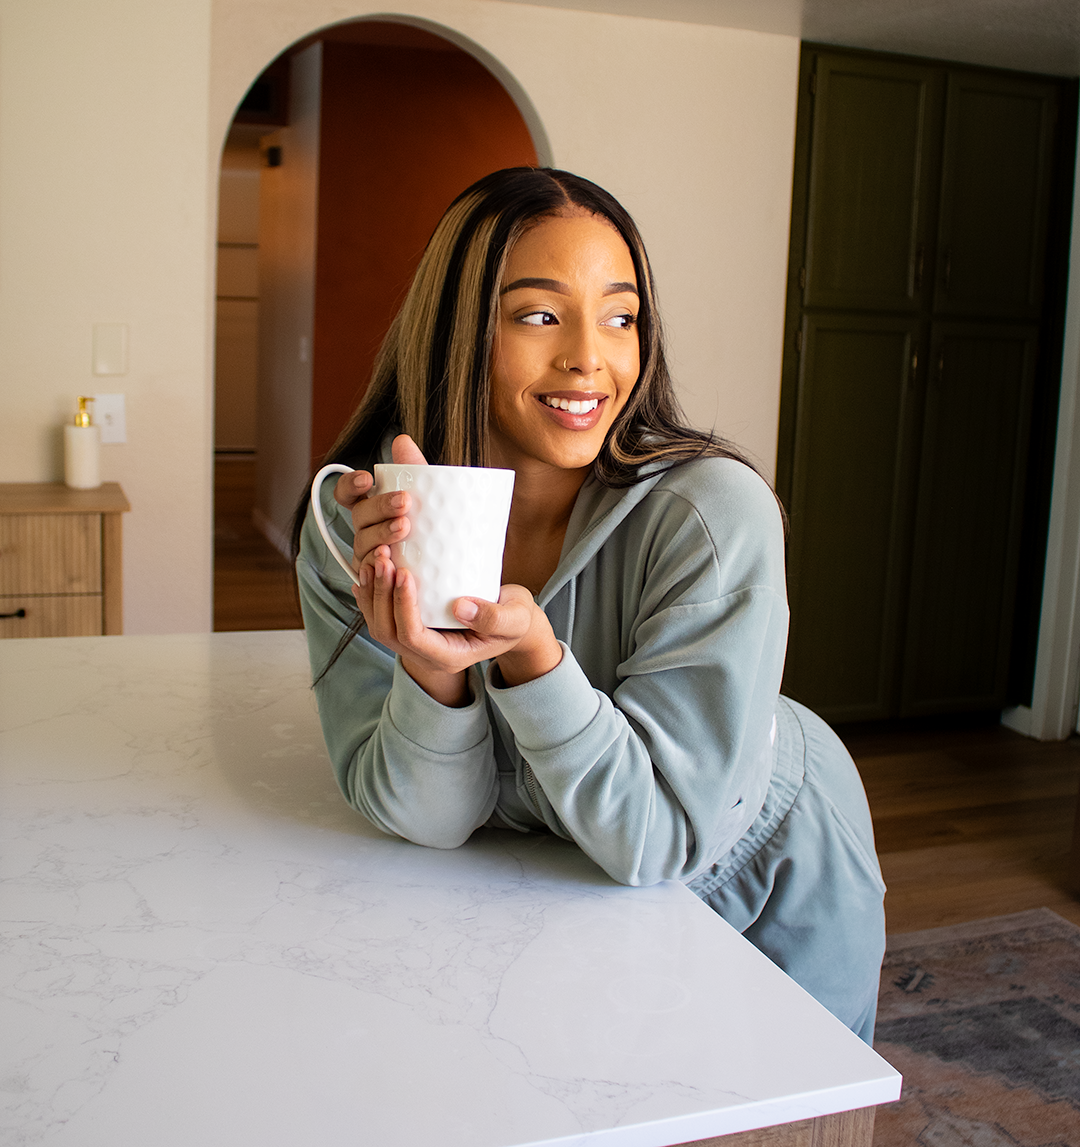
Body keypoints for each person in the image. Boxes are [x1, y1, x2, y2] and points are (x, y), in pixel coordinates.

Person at [293, 166, 886, 1043]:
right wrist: (434, 676)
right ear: (461, 327)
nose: (590, 357)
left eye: (621, 316)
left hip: (753, 866)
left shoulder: (712, 514)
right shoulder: (365, 525)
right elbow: (429, 820)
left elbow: (658, 841)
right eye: (539, 314)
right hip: (545, 885)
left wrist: (534, 659)